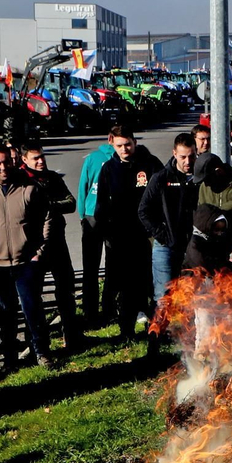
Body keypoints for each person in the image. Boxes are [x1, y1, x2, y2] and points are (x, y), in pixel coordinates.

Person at [0, 145, 56, 369]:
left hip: (26, 262)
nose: (3, 167)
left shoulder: (29, 187)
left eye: (6, 162)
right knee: (7, 313)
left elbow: (47, 217)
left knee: (33, 309)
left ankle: (42, 353)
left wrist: (39, 252)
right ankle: (10, 359)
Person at [94, 128, 162, 339]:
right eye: (120, 146)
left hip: (147, 233)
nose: (125, 149)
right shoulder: (108, 169)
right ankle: (126, 328)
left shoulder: (150, 163)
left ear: (135, 142)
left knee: (149, 281)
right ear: (112, 144)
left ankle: (155, 327)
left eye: (128, 144)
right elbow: (102, 203)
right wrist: (105, 231)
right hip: (120, 235)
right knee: (125, 284)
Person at [22, 144, 83, 350]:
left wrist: (48, 204)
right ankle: (35, 341)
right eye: (35, 158)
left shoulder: (53, 178)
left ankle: (71, 336)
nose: (41, 161)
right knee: (32, 294)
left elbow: (70, 203)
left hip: (57, 241)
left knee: (66, 290)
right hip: (33, 245)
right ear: (25, 160)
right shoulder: (20, 180)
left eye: (42, 157)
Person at [139, 134, 199, 308]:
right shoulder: (161, 178)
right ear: (174, 154)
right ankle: (159, 333)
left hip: (193, 246)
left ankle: (187, 333)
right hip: (165, 246)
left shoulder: (201, 179)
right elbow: (143, 211)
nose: (188, 161)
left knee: (192, 294)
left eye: (192, 156)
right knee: (163, 295)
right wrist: (162, 234)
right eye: (183, 157)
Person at [76, 137, 117, 329]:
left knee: (111, 266)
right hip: (93, 216)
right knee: (93, 267)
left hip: (111, 217)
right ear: (110, 139)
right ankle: (91, 311)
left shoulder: (120, 159)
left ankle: (106, 309)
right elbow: (84, 185)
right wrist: (83, 214)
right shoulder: (93, 158)